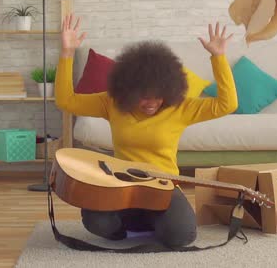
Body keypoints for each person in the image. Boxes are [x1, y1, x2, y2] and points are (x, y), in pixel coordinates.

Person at [55, 14, 238, 248]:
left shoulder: (180, 108)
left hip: (162, 188)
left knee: (182, 236)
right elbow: (66, 101)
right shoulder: (112, 102)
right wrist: (67, 54)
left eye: (158, 97)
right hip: (121, 186)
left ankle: (155, 221)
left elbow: (227, 104)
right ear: (128, 91)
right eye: (143, 98)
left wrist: (218, 57)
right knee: (95, 222)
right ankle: (132, 226)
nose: (151, 103)